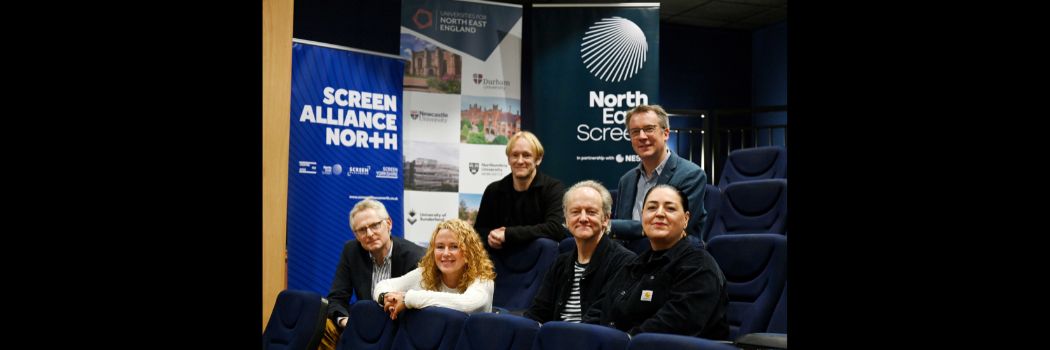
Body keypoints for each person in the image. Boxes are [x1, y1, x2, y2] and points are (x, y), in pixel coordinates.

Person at [585, 184, 729, 339]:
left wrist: (620, 342)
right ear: (642, 216)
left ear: (686, 219)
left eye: (670, 209)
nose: (659, 214)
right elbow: (599, 310)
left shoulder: (699, 265)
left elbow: (674, 325)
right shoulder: (633, 264)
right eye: (652, 208)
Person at [318, 198, 426, 350]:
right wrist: (345, 321)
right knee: (322, 325)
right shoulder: (351, 251)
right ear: (356, 235)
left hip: (398, 329)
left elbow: (417, 309)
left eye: (375, 225)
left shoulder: (414, 256)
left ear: (388, 224)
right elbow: (336, 298)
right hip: (363, 326)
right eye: (362, 230)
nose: (369, 234)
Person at [525, 180, 635, 323]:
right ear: (566, 219)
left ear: (606, 219)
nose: (583, 218)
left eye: (591, 212)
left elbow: (599, 318)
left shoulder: (624, 262)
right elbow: (537, 312)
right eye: (575, 212)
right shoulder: (560, 263)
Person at [612, 105, 708, 242]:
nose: (642, 136)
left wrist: (610, 226)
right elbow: (620, 236)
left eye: (649, 129)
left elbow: (674, 229)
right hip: (630, 260)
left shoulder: (692, 175)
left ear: (666, 133)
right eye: (635, 132)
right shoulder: (626, 180)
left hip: (672, 259)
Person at [373, 218, 496, 319]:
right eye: (440, 247)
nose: (446, 253)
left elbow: (468, 304)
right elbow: (383, 285)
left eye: (454, 246)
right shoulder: (425, 273)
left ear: (469, 252)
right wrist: (388, 299)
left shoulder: (483, 279)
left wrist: (408, 299)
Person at [474, 131, 567, 250]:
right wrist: (490, 237)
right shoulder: (493, 190)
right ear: (508, 159)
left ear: (538, 159)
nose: (520, 161)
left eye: (526, 155)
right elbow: (479, 231)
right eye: (515, 155)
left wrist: (508, 234)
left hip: (539, 258)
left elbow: (556, 228)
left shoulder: (553, 188)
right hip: (501, 257)